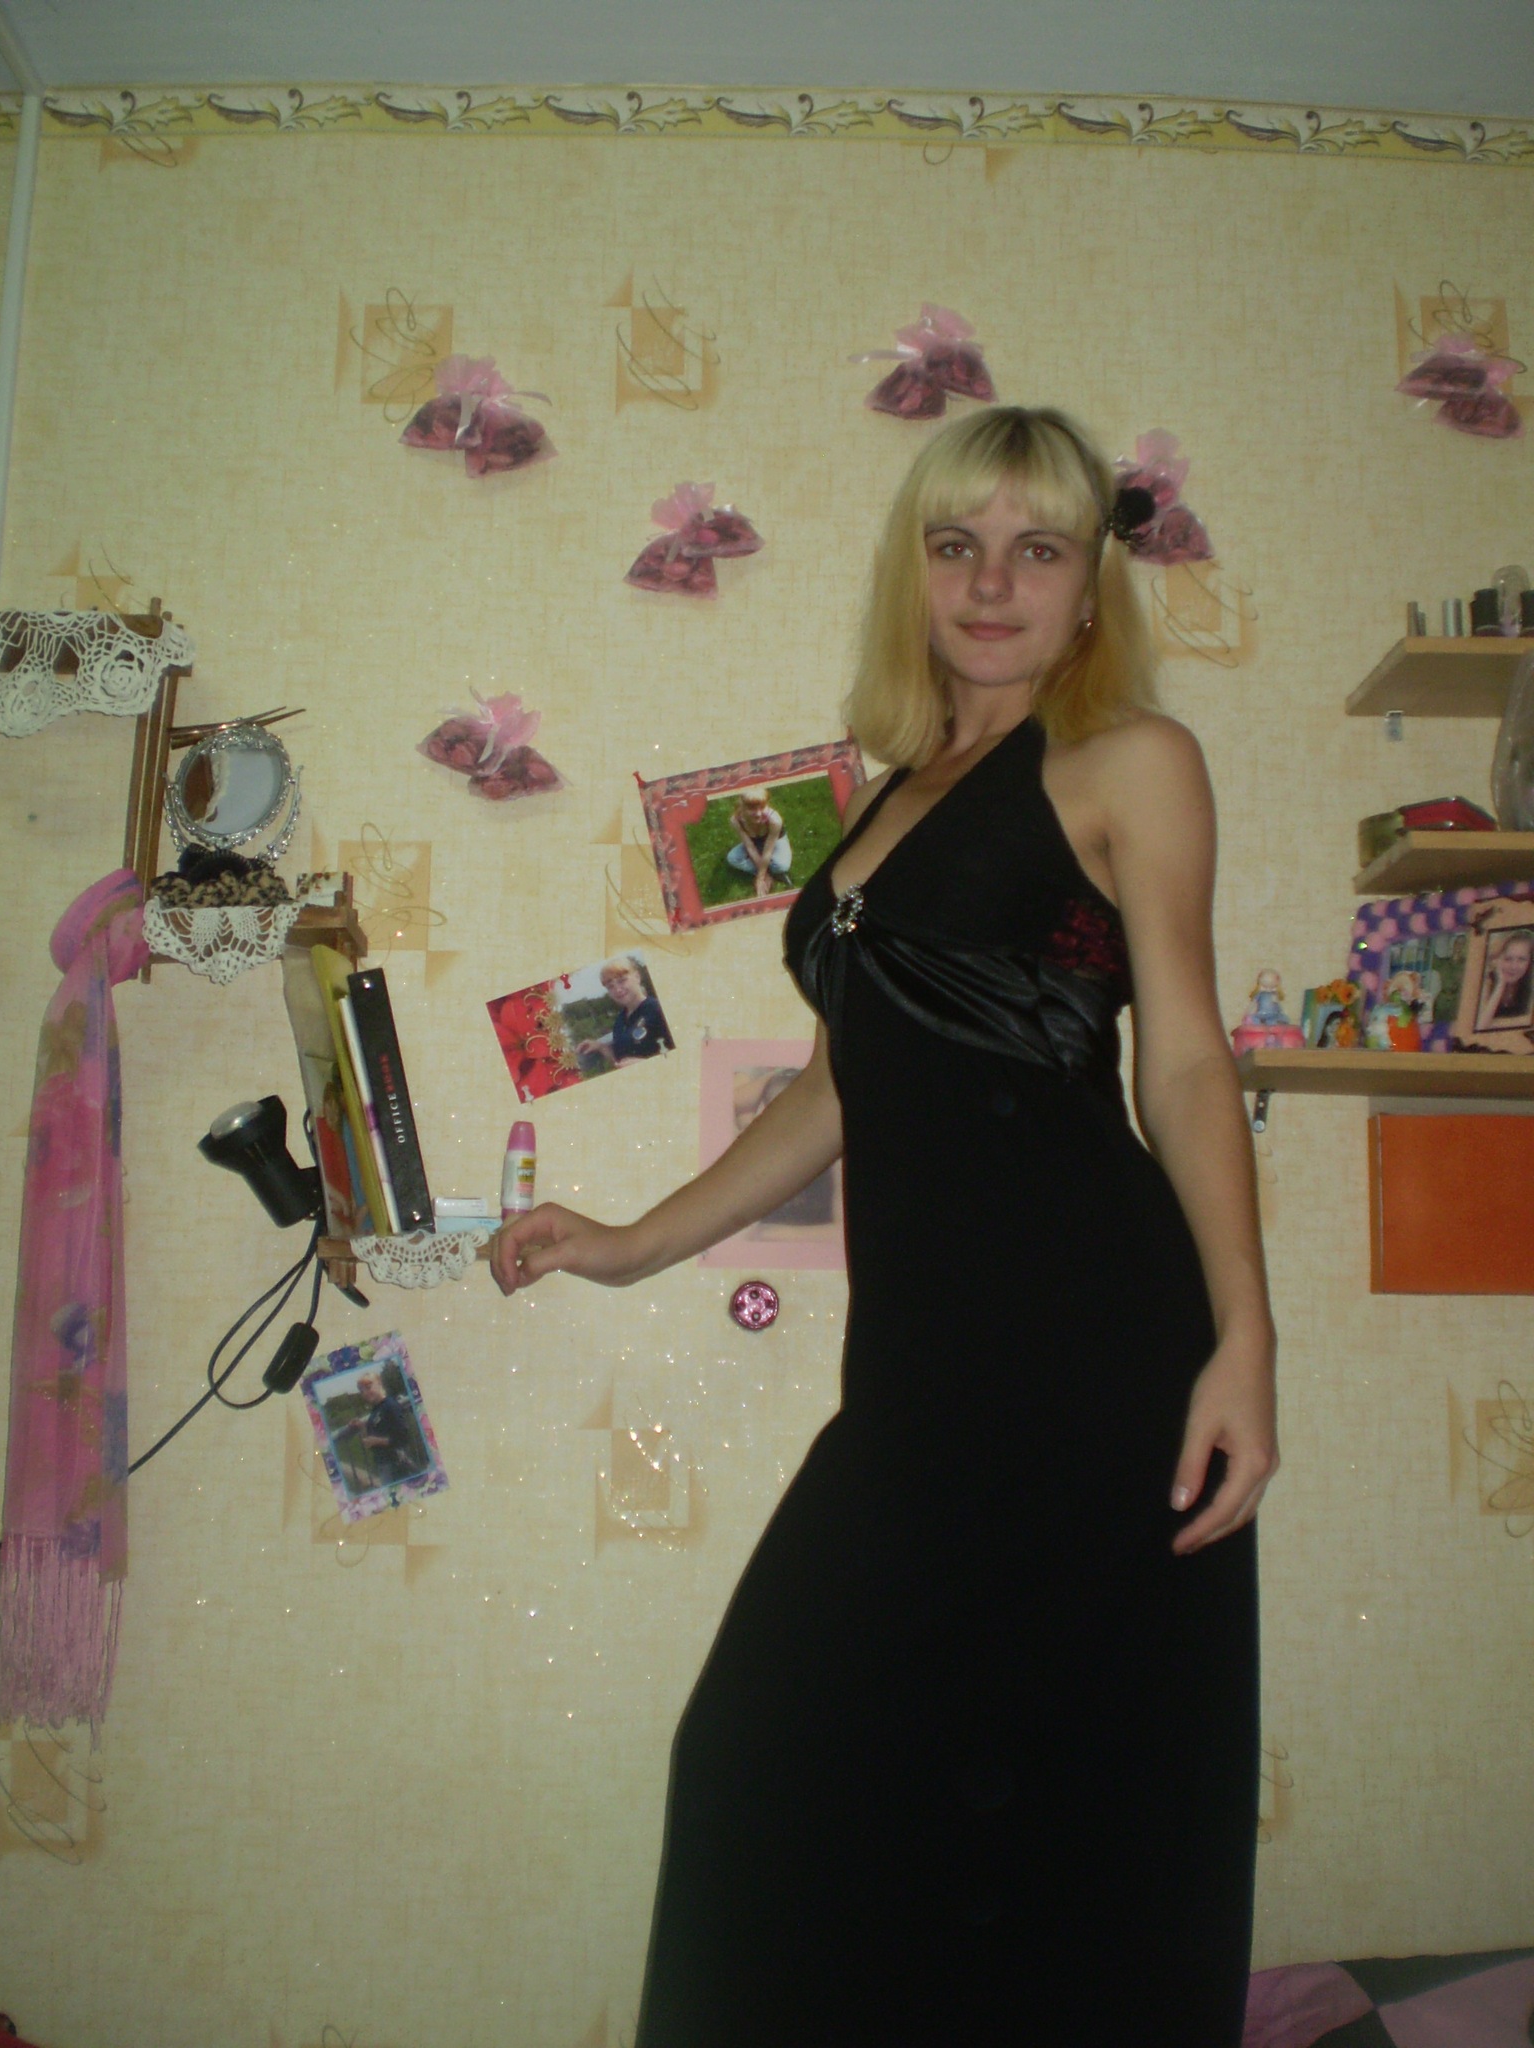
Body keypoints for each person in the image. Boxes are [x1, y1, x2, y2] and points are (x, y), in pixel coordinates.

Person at [492, 405, 1278, 2047]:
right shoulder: (892, 791)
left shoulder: (1129, 761)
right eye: (956, 544)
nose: (991, 583)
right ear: (912, 572)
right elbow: (846, 1082)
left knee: (1057, 1807)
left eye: (1037, 549)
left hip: (1089, 1347)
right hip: (926, 1374)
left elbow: (1188, 1062)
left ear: (1088, 582)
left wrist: (1246, 1340)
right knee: (781, 1770)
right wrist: (628, 1240)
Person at [575, 956, 675, 1067]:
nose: (617, 989)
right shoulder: (620, 1021)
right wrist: (601, 1047)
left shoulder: (658, 1010)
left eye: (622, 980)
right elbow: (620, 1061)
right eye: (610, 986)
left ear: (637, 977)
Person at [725, 787, 792, 897]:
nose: (758, 814)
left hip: (775, 841)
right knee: (732, 858)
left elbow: (768, 850)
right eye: (752, 809)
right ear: (743, 807)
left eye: (762, 807)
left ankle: (764, 871)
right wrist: (763, 876)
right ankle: (768, 874)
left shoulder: (775, 821)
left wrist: (760, 877)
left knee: (782, 866)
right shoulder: (736, 820)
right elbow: (749, 846)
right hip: (753, 843)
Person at [1476, 928, 1534, 1027]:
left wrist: (1495, 1024)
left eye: (1522, 959)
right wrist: (1500, 984)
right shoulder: (1487, 981)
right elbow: (1480, 1025)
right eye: (1508, 959)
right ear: (1496, 960)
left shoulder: (1530, 981)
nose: (1514, 966)